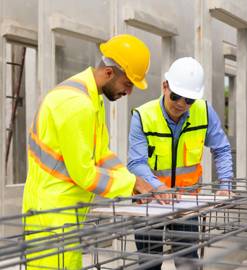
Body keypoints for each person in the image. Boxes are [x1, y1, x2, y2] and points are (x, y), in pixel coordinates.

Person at [22, 34, 154, 269]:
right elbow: (83, 173)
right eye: (128, 84)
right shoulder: (77, 104)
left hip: (63, 209)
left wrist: (134, 181)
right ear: (109, 73)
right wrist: (130, 184)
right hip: (52, 215)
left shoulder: (91, 98)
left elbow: (101, 154)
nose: (129, 92)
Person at [128, 57, 234, 269]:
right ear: (165, 86)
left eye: (188, 100)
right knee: (149, 263)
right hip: (149, 201)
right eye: (176, 96)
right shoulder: (143, 115)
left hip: (186, 202)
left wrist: (225, 185)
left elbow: (221, 149)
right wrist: (158, 187)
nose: (181, 104)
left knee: (188, 262)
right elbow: (136, 163)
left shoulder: (203, 112)